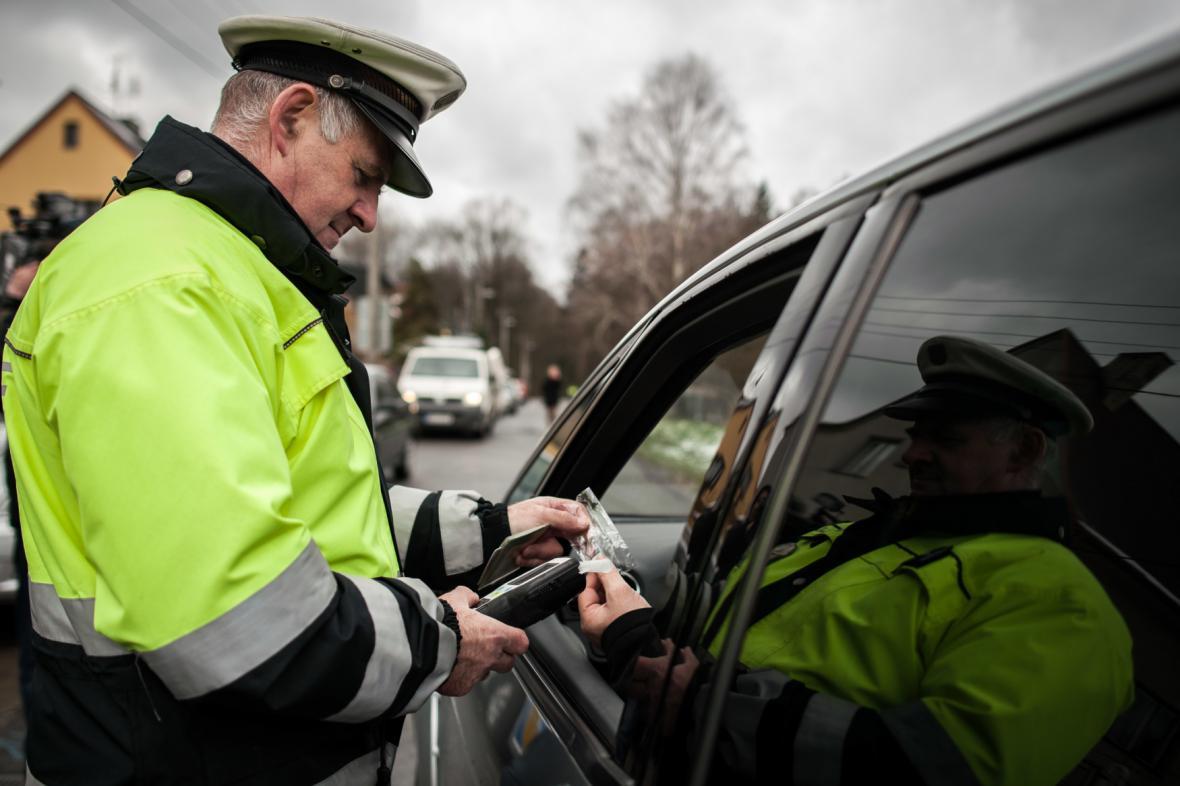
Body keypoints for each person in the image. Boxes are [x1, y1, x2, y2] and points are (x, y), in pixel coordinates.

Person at [2, 16, 587, 786]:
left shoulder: (230, 273)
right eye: (366, 176)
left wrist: (495, 530)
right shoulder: (163, 286)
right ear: (291, 119)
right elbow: (238, 620)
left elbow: (307, 504)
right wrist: (443, 640)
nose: (371, 214)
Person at [578, 335, 1133, 786]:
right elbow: (725, 648)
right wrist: (634, 636)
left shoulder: (1063, 602)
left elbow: (930, 768)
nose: (913, 452)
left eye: (945, 437)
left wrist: (703, 705)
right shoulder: (864, 536)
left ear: (1026, 450)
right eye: (916, 434)